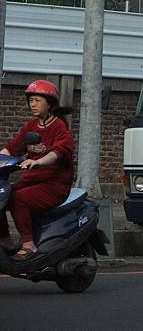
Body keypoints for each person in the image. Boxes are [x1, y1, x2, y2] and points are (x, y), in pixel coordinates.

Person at [0, 80, 74, 261]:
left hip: (54, 185)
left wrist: (39, 161)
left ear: (49, 103)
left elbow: (59, 152)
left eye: (37, 100)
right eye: (31, 100)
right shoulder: (31, 127)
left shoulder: (59, 128)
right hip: (32, 181)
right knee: (3, 195)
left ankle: (28, 245)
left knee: (19, 199)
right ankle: (6, 241)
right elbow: (13, 148)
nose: (32, 104)